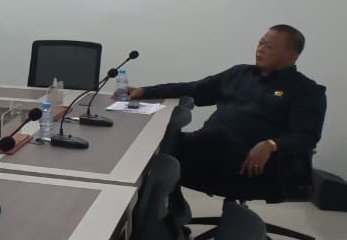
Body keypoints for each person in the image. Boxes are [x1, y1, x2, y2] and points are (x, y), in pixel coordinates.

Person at [130, 25, 326, 197]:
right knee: (160, 149)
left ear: (292, 55)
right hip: (210, 152)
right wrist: (145, 91)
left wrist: (271, 145)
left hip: (253, 163)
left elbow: (307, 136)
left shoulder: (306, 90)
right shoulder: (240, 73)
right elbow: (193, 89)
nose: (261, 49)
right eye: (261, 43)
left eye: (270, 47)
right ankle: (166, 217)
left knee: (173, 153)